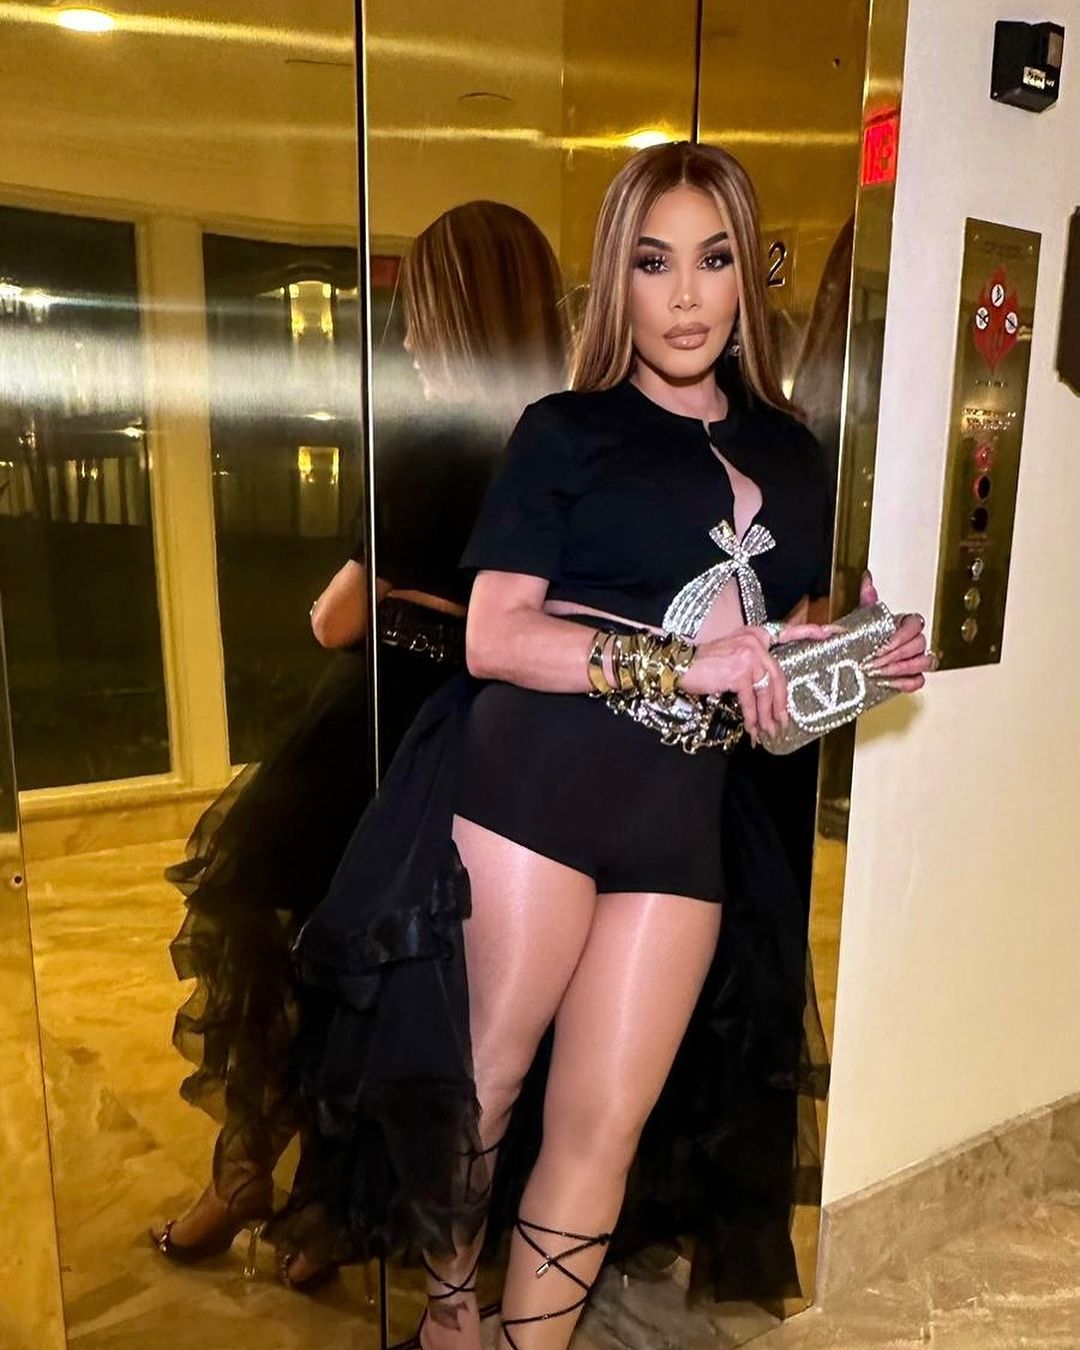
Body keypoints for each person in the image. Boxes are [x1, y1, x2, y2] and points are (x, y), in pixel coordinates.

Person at [291, 141, 932, 1348]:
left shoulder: (797, 459)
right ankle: (451, 1322)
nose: (686, 296)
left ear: (747, 277)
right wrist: (687, 663)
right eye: (653, 263)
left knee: (604, 1128)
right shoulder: (566, 431)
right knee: (482, 1095)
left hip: (679, 824)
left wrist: (853, 666)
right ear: (617, 280)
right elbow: (496, 635)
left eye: (714, 259)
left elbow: (767, 697)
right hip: (532, 794)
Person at [151, 200, 568, 1288]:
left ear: (457, 313)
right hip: (491, 743)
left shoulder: (426, 441)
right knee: (397, 986)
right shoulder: (564, 445)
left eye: (423, 309)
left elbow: (336, 621)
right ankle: (330, 1223)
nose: (413, 334)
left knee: (275, 930)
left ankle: (245, 1177)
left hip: (371, 735)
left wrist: (393, 600)